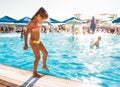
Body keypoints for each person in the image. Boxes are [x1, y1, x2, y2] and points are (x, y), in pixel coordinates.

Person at [23, 7, 49, 78]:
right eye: (42, 19)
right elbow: (26, 34)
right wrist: (26, 44)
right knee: (38, 57)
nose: (42, 21)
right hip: (33, 42)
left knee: (45, 53)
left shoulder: (38, 22)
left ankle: (44, 65)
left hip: (38, 41)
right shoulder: (31, 23)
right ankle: (34, 72)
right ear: (38, 16)